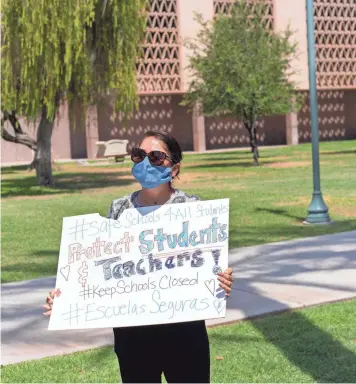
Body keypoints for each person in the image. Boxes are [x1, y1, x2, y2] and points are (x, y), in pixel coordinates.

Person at [43, 131, 233, 383]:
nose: (145, 163)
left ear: (174, 168)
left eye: (156, 157)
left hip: (184, 333)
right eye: (139, 155)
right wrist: (66, 300)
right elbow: (101, 269)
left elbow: (207, 265)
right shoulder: (119, 209)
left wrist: (222, 280)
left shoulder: (193, 208)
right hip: (133, 335)